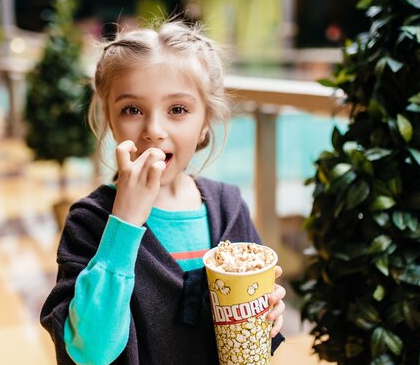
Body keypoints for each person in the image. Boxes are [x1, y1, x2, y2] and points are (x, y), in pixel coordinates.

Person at [40, 20, 286, 365]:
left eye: (178, 110)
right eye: (132, 110)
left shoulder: (228, 209)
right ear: (110, 119)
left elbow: (252, 335)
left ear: (206, 120)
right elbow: (90, 351)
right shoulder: (90, 221)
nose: (154, 130)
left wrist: (268, 315)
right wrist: (124, 223)